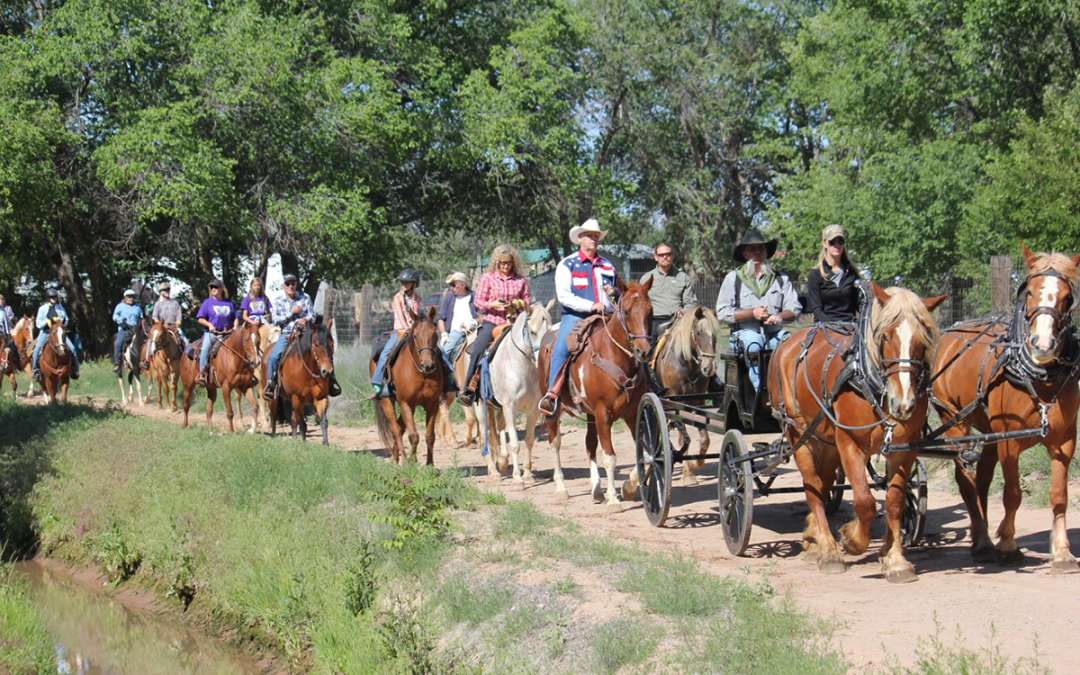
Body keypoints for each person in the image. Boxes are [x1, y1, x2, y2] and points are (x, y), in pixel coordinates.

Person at [538, 219, 618, 416]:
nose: (594, 239)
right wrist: (590, 305)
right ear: (579, 238)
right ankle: (552, 394)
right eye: (589, 235)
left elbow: (619, 291)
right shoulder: (568, 264)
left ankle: (646, 385)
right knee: (561, 348)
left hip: (607, 316)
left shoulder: (607, 265)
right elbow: (564, 296)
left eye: (596, 236)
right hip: (576, 317)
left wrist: (613, 290)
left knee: (632, 341)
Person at [715, 230, 801, 392]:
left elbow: (794, 307)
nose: (757, 253)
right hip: (744, 334)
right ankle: (762, 393)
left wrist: (779, 316)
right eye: (752, 249)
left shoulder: (780, 279)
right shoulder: (733, 278)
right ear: (745, 254)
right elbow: (722, 311)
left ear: (766, 252)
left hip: (774, 333)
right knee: (754, 342)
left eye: (760, 249)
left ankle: (792, 391)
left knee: (793, 343)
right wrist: (752, 313)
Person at [456, 246, 533, 407]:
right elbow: (478, 301)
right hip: (493, 321)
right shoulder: (487, 278)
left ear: (513, 263)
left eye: (508, 263)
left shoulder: (520, 280)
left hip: (514, 323)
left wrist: (521, 304)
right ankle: (469, 388)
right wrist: (491, 304)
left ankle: (539, 387)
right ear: (497, 263)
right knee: (478, 348)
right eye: (502, 263)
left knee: (534, 347)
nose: (505, 266)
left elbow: (528, 302)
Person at [368, 269, 422, 399]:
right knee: (385, 354)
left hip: (414, 330)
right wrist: (406, 327)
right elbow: (399, 314)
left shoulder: (417, 298)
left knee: (433, 349)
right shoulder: (397, 297)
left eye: (407, 282)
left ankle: (447, 380)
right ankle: (379, 385)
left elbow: (417, 315)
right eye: (402, 281)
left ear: (414, 284)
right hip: (400, 331)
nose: (403, 284)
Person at [640, 243, 698, 340]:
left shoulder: (683, 277)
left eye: (668, 254)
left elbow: (691, 302)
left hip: (677, 321)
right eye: (661, 255)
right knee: (648, 351)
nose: (665, 257)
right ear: (655, 257)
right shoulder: (646, 278)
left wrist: (683, 312)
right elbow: (639, 303)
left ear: (673, 256)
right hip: (654, 322)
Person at [804, 224, 861, 323]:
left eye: (840, 242)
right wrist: (833, 326)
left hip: (850, 327)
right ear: (825, 243)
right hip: (825, 328)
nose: (837, 245)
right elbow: (817, 309)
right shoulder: (815, 274)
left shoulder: (852, 272)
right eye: (832, 242)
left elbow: (860, 304)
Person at [194, 279, 237, 386]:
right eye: (211, 287)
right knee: (204, 349)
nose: (213, 289)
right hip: (213, 333)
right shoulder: (207, 302)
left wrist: (235, 326)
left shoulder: (229, 302)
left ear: (222, 289)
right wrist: (210, 325)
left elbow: (235, 317)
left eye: (216, 287)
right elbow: (200, 318)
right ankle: (202, 374)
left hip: (228, 333)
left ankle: (247, 372)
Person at [32, 288, 80, 381]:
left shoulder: (60, 308)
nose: (54, 299)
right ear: (47, 298)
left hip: (58, 332)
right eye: (51, 297)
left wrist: (62, 322)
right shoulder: (42, 309)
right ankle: (35, 370)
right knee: (37, 349)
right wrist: (47, 322)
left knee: (73, 348)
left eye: (55, 297)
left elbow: (66, 320)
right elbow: (38, 323)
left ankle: (74, 370)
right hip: (46, 332)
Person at [438, 271, 476, 368]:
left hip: (475, 332)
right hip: (456, 333)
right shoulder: (449, 299)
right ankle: (450, 375)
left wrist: (474, 322)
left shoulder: (475, 297)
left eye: (453, 285)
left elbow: (482, 315)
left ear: (463, 285)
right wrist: (444, 334)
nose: (451, 288)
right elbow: (441, 319)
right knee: (442, 353)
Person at [144, 282, 187, 367]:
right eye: (165, 290)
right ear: (161, 292)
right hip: (162, 328)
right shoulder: (158, 304)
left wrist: (178, 321)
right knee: (151, 341)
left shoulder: (175, 303)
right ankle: (147, 360)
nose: (167, 291)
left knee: (185, 340)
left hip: (174, 327)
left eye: (168, 290)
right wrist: (159, 324)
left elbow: (179, 314)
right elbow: (155, 316)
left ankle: (187, 360)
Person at [111, 289, 144, 375]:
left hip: (136, 329)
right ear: (125, 298)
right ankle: (117, 363)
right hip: (124, 328)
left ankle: (144, 362)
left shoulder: (137, 307)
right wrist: (120, 320)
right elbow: (114, 316)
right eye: (129, 297)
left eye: (132, 297)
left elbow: (141, 317)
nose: (131, 299)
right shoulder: (120, 306)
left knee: (146, 342)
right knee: (118, 343)